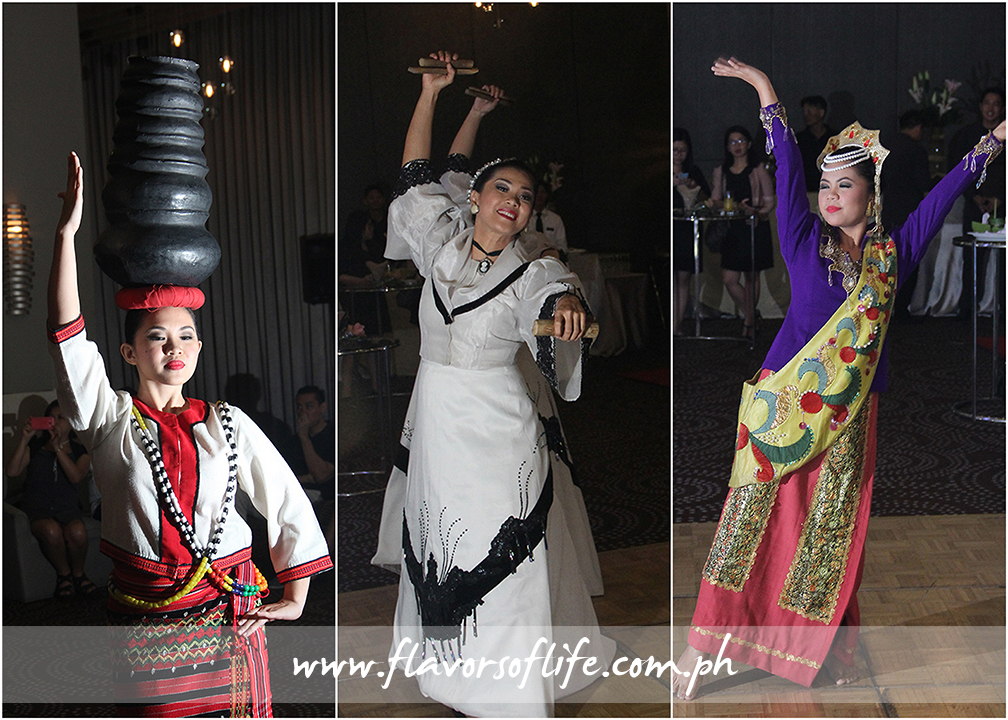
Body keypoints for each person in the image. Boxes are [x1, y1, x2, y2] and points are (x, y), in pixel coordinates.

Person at [671, 57, 1005, 701]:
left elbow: (945, 193)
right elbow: (787, 164)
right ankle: (699, 648)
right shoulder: (800, 239)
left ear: (869, 194)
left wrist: (994, 142)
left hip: (851, 417)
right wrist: (767, 90)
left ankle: (821, 648)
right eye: (823, 183)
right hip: (781, 407)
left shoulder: (893, 255)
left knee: (830, 535)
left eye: (842, 185)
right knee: (747, 524)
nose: (827, 193)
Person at [370, 51, 613, 716]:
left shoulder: (531, 269)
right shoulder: (436, 243)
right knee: (442, 541)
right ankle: (449, 673)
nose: (515, 201)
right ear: (475, 198)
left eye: (526, 196)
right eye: (503, 189)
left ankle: (512, 687)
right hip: (438, 424)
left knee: (505, 551)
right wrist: (431, 94)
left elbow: (557, 286)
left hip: (500, 432)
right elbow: (416, 176)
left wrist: (568, 305)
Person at [47, 152, 333, 716]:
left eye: (186, 334)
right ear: (129, 351)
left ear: (199, 348)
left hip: (230, 611)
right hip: (146, 618)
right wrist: (67, 235)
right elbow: (68, 337)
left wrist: (296, 593)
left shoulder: (227, 422)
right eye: (157, 336)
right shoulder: (110, 418)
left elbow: (284, 495)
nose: (174, 346)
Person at [5, 400, 96, 598]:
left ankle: (78, 574)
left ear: (71, 422)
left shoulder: (81, 451)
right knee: (51, 530)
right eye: (51, 418)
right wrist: (24, 439)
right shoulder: (36, 447)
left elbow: (75, 477)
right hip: (38, 510)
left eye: (61, 418)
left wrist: (58, 449)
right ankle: (64, 575)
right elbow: (12, 472)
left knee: (78, 531)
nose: (55, 422)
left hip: (68, 509)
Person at [711, 125, 776, 338]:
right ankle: (751, 314)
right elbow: (716, 201)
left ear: (748, 144)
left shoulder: (758, 169)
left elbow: (769, 202)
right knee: (729, 278)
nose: (737, 145)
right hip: (732, 229)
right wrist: (733, 206)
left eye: (741, 141)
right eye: (732, 142)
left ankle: (748, 322)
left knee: (751, 276)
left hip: (753, 227)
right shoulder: (721, 172)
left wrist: (755, 212)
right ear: (727, 147)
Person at [948, 87, 1006, 319]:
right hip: (974, 204)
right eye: (987, 103)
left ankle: (1003, 310)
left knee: (1004, 263)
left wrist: (999, 198)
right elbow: (957, 169)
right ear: (980, 106)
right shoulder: (967, 135)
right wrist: (974, 196)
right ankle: (967, 310)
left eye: (996, 104)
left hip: (1003, 205)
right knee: (972, 259)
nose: (991, 108)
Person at [881, 109, 932, 321]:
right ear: (918, 127)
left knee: (887, 260)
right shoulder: (916, 150)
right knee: (909, 261)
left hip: (888, 211)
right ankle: (902, 309)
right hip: (909, 214)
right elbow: (923, 184)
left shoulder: (886, 146)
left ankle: (884, 306)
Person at [673, 127, 711, 335]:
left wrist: (693, 186)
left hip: (687, 230)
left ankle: (676, 326)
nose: (679, 154)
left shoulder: (693, 171)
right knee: (671, 277)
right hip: (671, 232)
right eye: (675, 150)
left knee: (683, 278)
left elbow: (708, 198)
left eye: (683, 150)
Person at [339, 182, 392, 334]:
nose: (372, 228)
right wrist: (361, 282)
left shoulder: (371, 245)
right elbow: (340, 276)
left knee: (377, 334)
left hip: (373, 298)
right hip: (355, 300)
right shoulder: (347, 249)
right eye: (369, 226)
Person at [290, 384, 335, 498]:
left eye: (309, 406)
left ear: (322, 407)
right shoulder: (294, 440)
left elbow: (321, 476)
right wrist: (307, 478)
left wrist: (304, 437)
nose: (303, 412)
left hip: (320, 494)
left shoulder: (333, 434)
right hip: (294, 489)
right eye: (299, 407)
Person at [796, 95, 834, 196]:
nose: (806, 115)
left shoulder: (834, 139)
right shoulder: (799, 139)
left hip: (831, 191)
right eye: (804, 112)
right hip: (806, 192)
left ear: (821, 113)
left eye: (809, 111)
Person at [523, 184, 568, 256]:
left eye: (542, 192)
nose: (540, 196)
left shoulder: (555, 219)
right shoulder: (524, 217)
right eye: (537, 192)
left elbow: (563, 246)